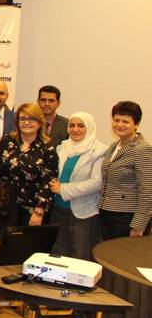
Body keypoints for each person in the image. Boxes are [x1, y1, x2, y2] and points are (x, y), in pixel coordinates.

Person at [49, 112, 106, 261]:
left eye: (81, 126)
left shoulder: (99, 151)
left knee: (81, 257)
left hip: (83, 213)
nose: (75, 129)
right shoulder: (62, 148)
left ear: (89, 127)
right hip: (58, 210)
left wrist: (63, 189)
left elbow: (97, 183)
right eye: (72, 125)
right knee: (57, 256)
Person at [0, 103, 58, 226]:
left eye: (31, 119)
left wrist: (39, 211)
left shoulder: (47, 149)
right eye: (22, 118)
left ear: (39, 123)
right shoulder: (6, 142)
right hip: (4, 207)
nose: (26, 122)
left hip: (32, 211)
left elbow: (48, 182)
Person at [99, 101, 152, 240]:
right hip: (108, 213)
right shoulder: (114, 146)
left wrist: (138, 225)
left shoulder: (142, 149)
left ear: (136, 124)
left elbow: (147, 190)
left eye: (125, 121)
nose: (119, 125)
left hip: (127, 218)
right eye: (116, 120)